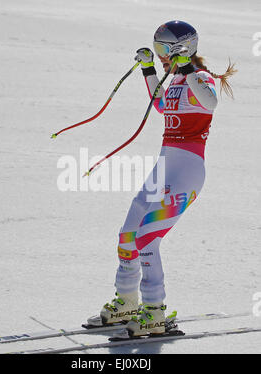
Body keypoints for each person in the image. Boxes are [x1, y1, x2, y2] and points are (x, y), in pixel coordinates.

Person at [89, 20, 237, 337]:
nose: (160, 57)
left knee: (146, 239)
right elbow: (161, 105)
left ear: (182, 49)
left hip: (187, 173)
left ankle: (155, 311)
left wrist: (188, 68)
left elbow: (210, 102)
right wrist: (147, 71)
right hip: (162, 171)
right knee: (128, 236)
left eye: (162, 51)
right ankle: (127, 303)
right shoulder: (178, 81)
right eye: (156, 50)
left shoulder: (200, 77)